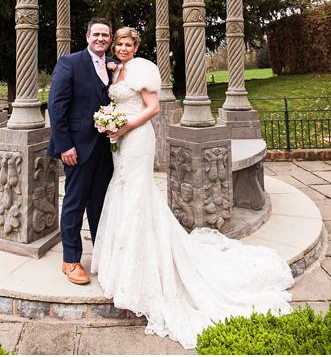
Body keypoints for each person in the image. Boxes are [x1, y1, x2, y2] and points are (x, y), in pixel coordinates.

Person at [91, 27, 293, 349]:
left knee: (138, 193)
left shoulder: (143, 69)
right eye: (120, 44)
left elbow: (152, 108)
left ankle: (142, 265)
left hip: (138, 137)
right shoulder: (116, 71)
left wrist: (126, 125)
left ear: (136, 46)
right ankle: (122, 259)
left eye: (129, 44)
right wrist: (111, 125)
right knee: (122, 190)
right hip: (121, 141)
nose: (124, 48)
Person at [47, 18, 119, 285]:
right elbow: (56, 107)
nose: (101, 39)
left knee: (100, 203)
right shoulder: (70, 63)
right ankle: (70, 260)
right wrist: (65, 144)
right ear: (87, 36)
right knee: (75, 203)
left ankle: (100, 256)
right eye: (96, 34)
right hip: (76, 147)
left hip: (105, 148)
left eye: (105, 35)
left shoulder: (114, 65)